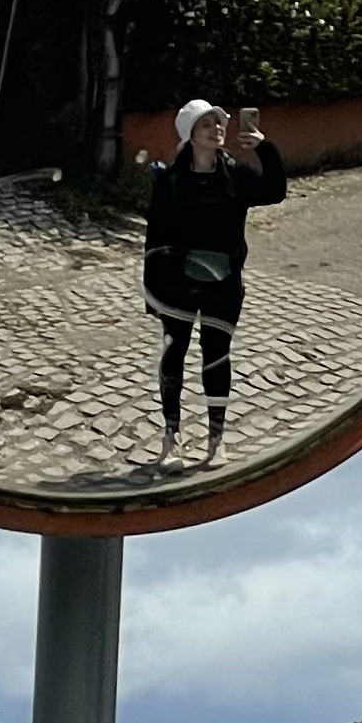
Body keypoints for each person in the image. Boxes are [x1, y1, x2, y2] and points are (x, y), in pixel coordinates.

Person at [142, 98, 287, 465]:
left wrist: (265, 148)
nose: (217, 128)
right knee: (173, 355)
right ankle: (171, 435)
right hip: (178, 282)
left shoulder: (235, 175)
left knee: (216, 357)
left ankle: (215, 439)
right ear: (190, 134)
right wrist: (153, 294)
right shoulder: (171, 181)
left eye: (219, 123)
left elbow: (275, 192)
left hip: (222, 281)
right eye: (207, 124)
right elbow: (154, 238)